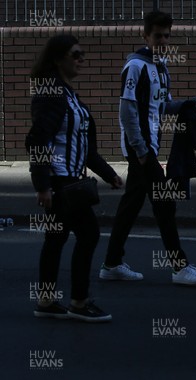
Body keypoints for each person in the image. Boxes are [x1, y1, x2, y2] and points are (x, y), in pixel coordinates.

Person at [99, 11, 196, 285]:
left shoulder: (161, 66)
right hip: (141, 150)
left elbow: (161, 106)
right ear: (145, 35)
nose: (161, 41)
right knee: (164, 204)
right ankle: (180, 267)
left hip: (147, 148)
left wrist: (183, 104)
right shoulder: (135, 67)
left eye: (166, 36)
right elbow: (127, 110)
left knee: (132, 205)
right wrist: (140, 149)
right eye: (157, 36)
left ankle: (111, 263)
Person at [27, 34, 123, 322]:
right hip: (60, 181)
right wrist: (42, 185)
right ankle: (79, 302)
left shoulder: (67, 94)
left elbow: (85, 147)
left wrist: (109, 174)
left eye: (82, 54)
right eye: (76, 54)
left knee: (56, 239)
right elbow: (37, 140)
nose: (82, 59)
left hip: (68, 181)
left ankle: (46, 301)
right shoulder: (52, 94)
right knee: (88, 234)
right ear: (58, 59)